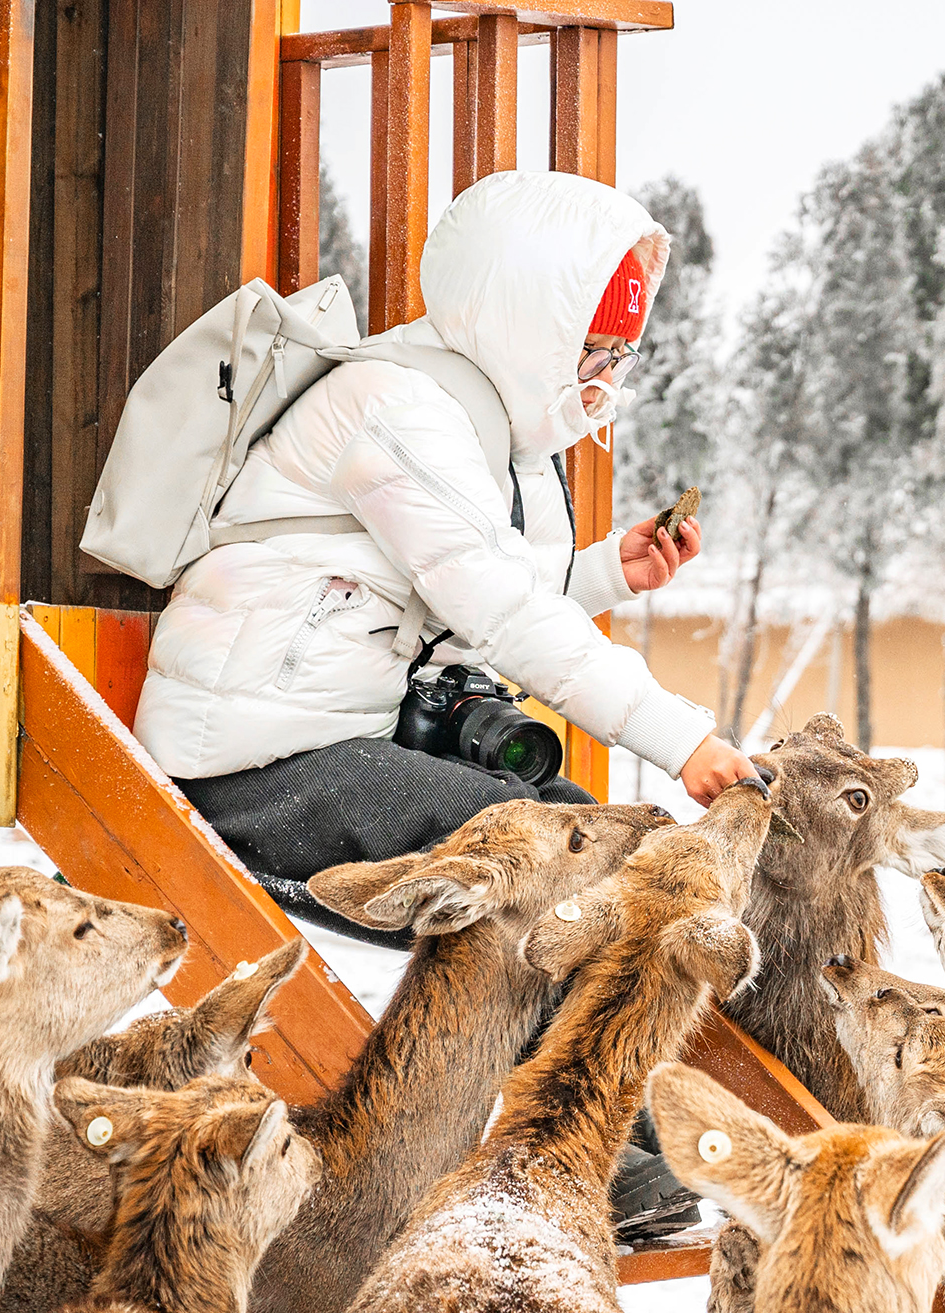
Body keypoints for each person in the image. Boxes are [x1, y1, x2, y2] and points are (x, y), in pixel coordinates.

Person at [136, 170, 758, 884]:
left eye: (622, 353)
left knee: (608, 849)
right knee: (545, 866)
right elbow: (503, 610)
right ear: (533, 332)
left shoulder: (473, 418)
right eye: (595, 349)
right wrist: (682, 741)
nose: (606, 378)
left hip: (339, 745)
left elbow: (476, 592)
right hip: (247, 765)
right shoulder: (399, 409)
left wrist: (610, 571)